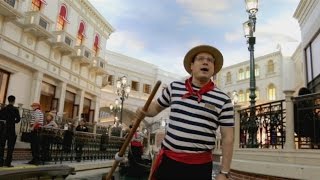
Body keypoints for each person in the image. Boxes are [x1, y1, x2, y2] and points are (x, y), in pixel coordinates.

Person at [136, 45, 235, 180]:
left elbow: (228, 138)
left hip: (199, 168)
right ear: (191, 66)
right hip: (169, 163)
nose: (206, 62)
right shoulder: (174, 88)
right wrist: (144, 111)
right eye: (200, 59)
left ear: (213, 69)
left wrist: (224, 172)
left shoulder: (224, 100)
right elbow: (155, 108)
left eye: (210, 60)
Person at [0, 95, 21, 167]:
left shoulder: (3, 109)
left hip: (3, 130)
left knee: (1, 146)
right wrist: (12, 121)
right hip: (11, 130)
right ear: (14, 101)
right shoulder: (15, 109)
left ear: (8, 100)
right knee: (10, 147)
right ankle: (8, 163)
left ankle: (0, 162)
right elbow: (18, 120)